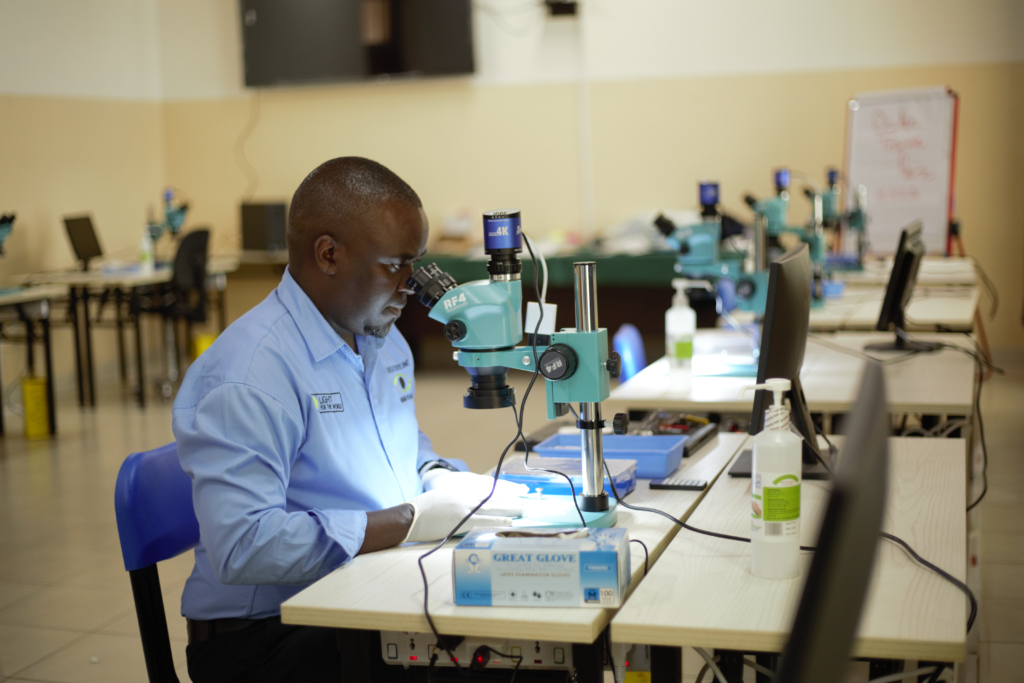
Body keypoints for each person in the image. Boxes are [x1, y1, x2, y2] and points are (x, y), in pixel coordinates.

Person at [173, 157, 525, 682]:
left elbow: (399, 443)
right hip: (264, 637)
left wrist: (440, 479)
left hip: (357, 585)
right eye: (395, 265)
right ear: (329, 255)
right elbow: (243, 546)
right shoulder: (249, 374)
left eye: (416, 264)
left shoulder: (382, 338)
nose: (411, 285)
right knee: (497, 662)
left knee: (522, 628)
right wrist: (410, 520)